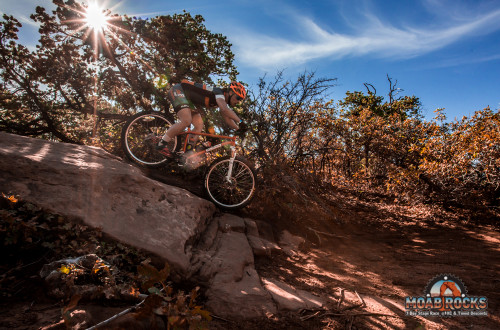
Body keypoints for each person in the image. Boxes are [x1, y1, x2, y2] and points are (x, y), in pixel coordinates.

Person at [157, 80, 247, 157]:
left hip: (188, 100)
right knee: (186, 120)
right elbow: (225, 109)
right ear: (230, 93)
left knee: (199, 125)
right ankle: (161, 144)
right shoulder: (219, 93)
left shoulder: (222, 101)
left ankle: (187, 153)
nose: (238, 101)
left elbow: (227, 118)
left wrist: (239, 129)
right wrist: (240, 121)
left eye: (240, 100)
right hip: (179, 90)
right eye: (238, 97)